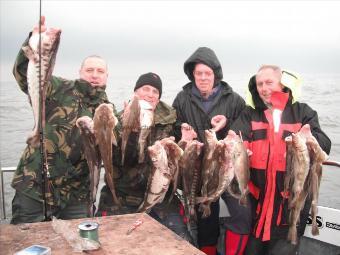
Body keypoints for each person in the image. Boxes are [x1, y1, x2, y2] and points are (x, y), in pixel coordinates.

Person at [10, 16, 117, 224]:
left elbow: (114, 144)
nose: (94, 75)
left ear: (106, 76)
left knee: (79, 243)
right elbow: (26, 75)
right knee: (27, 243)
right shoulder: (58, 88)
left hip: (77, 194)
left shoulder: (108, 110)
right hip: (36, 185)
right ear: (80, 72)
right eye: (89, 70)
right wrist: (34, 42)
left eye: (100, 71)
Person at [230, 65, 331, 255]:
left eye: (269, 82)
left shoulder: (303, 112)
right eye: (260, 83)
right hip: (258, 210)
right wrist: (231, 143)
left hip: (290, 209)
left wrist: (311, 139)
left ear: (282, 84)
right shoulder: (249, 114)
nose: (263, 88)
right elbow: (236, 136)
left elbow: (325, 145)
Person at [172, 47, 250, 255]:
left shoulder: (233, 99)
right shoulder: (181, 99)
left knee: (243, 214)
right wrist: (182, 132)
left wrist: (229, 125)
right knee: (206, 221)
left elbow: (246, 125)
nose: (203, 78)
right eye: (199, 73)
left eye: (208, 73)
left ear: (216, 74)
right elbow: (173, 127)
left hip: (229, 171)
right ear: (192, 75)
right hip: (199, 172)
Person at [97, 72, 192, 242]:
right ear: (135, 93)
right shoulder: (117, 120)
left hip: (161, 197)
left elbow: (180, 161)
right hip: (122, 195)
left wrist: (185, 142)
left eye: (155, 91)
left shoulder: (171, 121)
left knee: (183, 241)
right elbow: (116, 160)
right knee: (109, 242)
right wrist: (131, 131)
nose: (150, 94)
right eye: (145, 89)